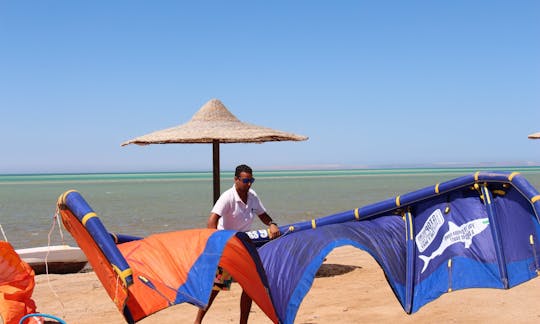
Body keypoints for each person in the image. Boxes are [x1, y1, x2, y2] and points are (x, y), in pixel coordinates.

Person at [195, 164, 280, 324]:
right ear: (236, 180)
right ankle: (198, 321)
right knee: (216, 288)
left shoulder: (252, 196)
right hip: (227, 248)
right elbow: (211, 221)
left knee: (249, 288)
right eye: (245, 180)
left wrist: (272, 223)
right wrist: (216, 245)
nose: (249, 184)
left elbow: (263, 214)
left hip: (244, 247)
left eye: (251, 180)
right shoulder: (227, 197)